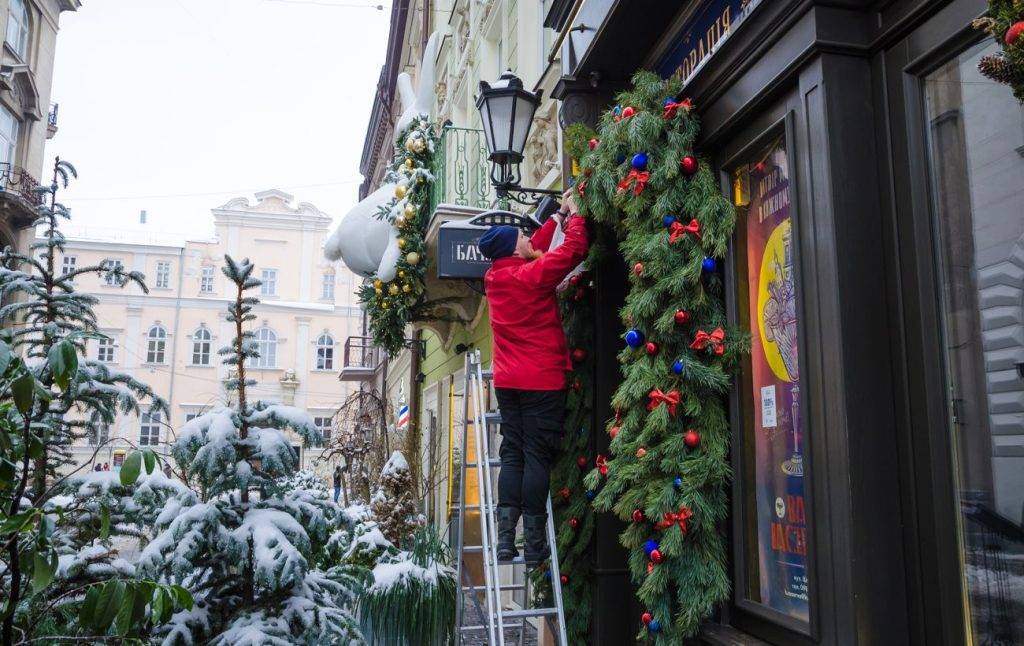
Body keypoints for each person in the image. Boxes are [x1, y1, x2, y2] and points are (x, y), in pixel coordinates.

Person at [477, 189, 588, 567]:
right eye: (522, 236)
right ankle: (536, 545)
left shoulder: (497, 277)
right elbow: (572, 252)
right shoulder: (530, 277)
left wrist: (555, 217)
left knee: (513, 452)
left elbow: (533, 248)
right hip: (541, 381)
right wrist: (576, 216)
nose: (529, 237)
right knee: (537, 456)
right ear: (512, 249)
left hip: (508, 383)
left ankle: (506, 540)